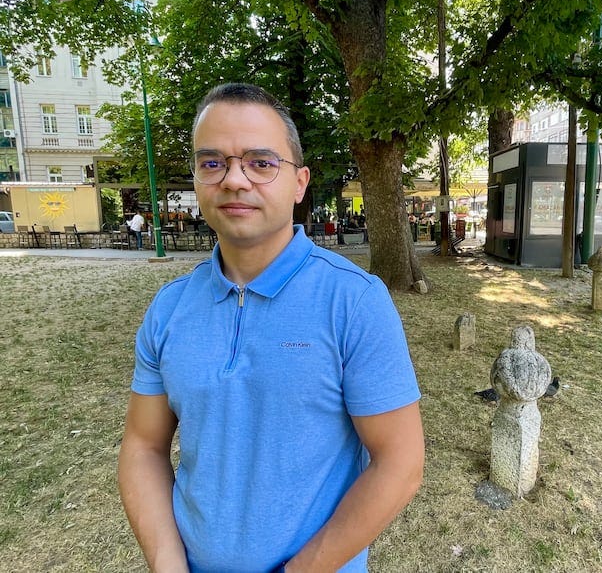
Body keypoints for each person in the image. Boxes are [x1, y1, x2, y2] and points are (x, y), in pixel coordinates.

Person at [118, 83, 425, 572]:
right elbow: (143, 445)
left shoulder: (354, 301)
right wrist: (166, 563)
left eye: (261, 163)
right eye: (212, 162)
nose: (235, 180)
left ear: (299, 183)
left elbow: (400, 463)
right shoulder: (169, 308)